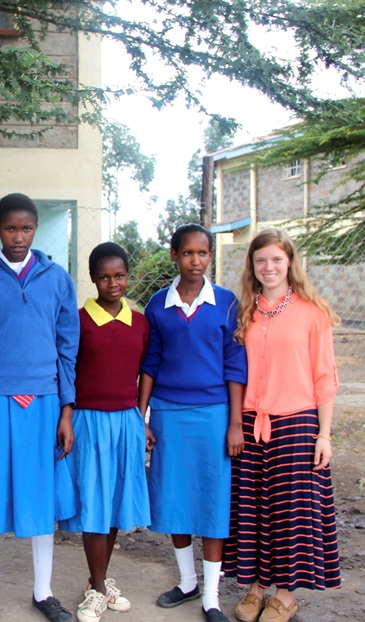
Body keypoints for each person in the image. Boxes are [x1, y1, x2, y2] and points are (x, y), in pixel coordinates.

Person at [0, 192, 79, 622]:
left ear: (36, 228)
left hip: (44, 403)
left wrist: (67, 410)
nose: (18, 236)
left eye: (26, 228)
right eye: (10, 228)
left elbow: (68, 349)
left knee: (40, 496)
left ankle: (42, 592)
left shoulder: (57, 279)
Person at [223, 228, 341, 622]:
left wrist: (324, 434)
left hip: (297, 423)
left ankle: (285, 594)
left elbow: (325, 377)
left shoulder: (313, 312)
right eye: (261, 261)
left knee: (289, 512)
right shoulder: (242, 310)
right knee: (254, 508)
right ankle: (256, 587)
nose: (268, 267)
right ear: (252, 266)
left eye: (276, 259)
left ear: (289, 261)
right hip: (251, 424)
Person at [139, 224, 247, 622]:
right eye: (187, 253)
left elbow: (236, 365)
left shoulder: (226, 302)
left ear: (211, 257)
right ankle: (187, 582)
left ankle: (212, 595)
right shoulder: (157, 305)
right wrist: (141, 416)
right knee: (175, 496)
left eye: (203, 254)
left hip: (213, 414)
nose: (195, 261)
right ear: (174, 255)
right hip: (168, 412)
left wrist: (235, 423)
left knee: (212, 499)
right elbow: (150, 364)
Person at [58, 242, 150, 622]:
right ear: (93, 279)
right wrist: (66, 417)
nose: (113, 283)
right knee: (93, 504)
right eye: (104, 277)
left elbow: (147, 371)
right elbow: (65, 371)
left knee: (111, 505)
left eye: (120, 276)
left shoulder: (141, 322)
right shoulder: (78, 321)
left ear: (128, 276)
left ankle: (99, 579)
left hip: (126, 421)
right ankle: (97, 589)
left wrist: (141, 418)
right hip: (89, 421)